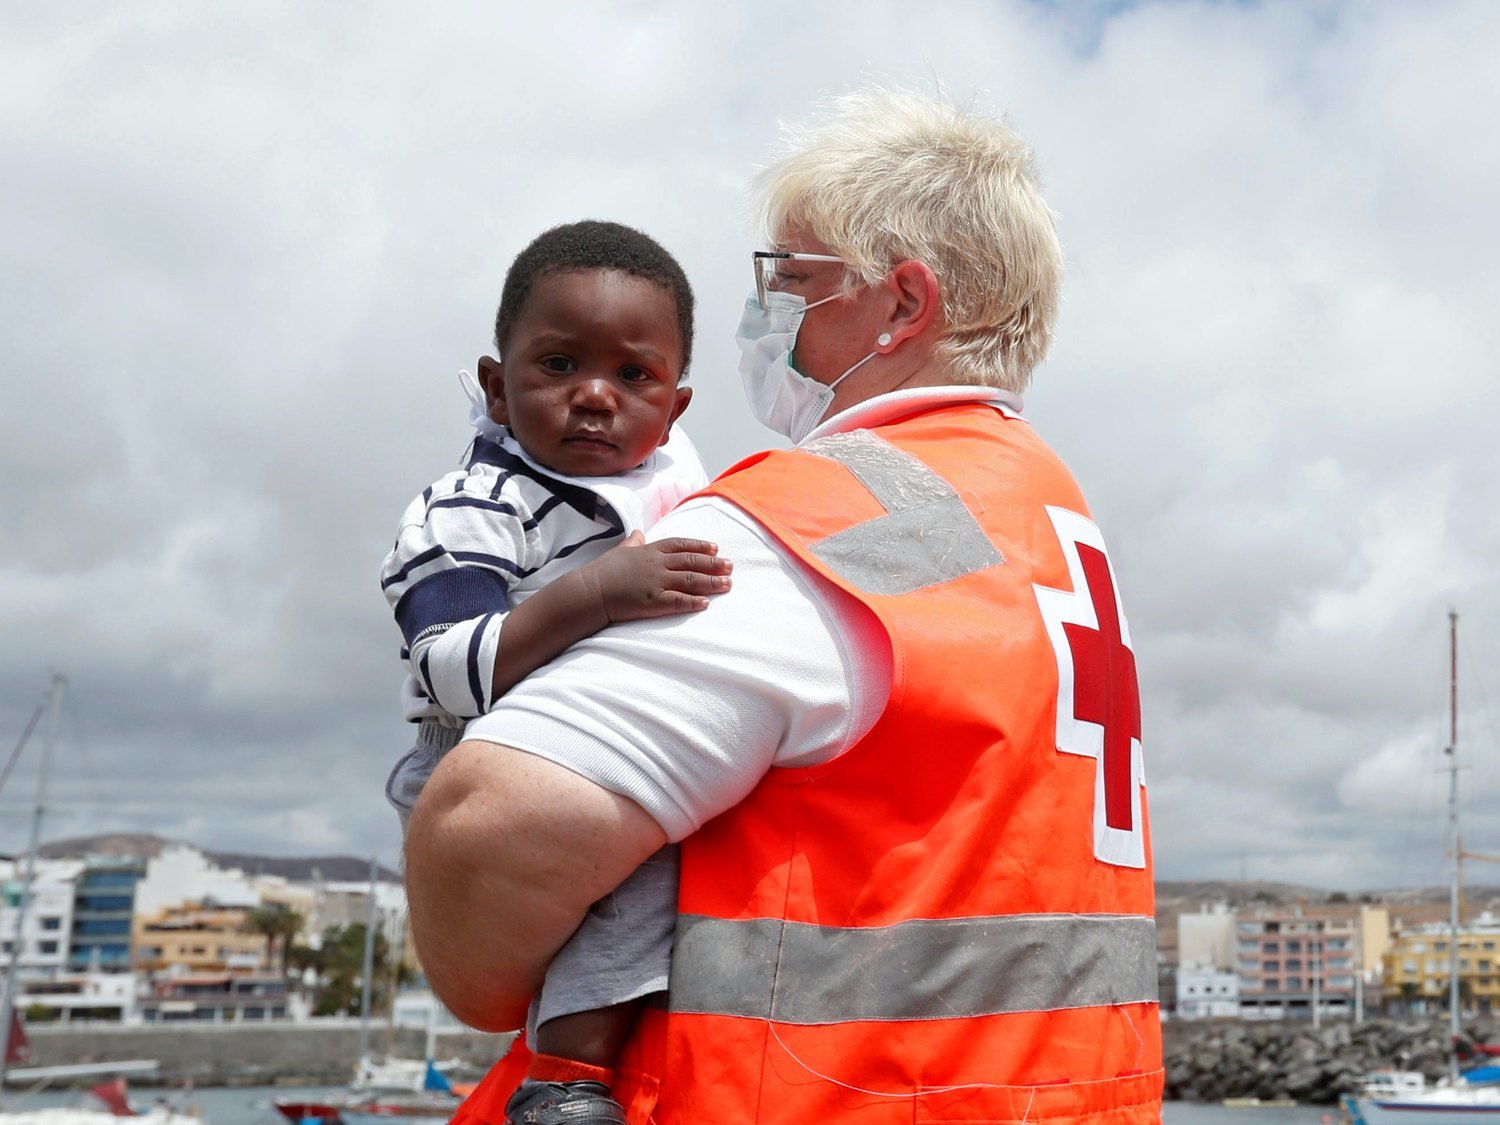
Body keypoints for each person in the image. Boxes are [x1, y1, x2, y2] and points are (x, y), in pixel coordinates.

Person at [406, 88, 1162, 1124]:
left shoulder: (807, 520)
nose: (766, 315)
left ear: (902, 305)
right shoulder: (1049, 513)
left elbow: (490, 837)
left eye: (791, 278)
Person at [379, 220, 732, 1124]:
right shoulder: (470, 506)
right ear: (497, 389)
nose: (593, 397)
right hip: (479, 754)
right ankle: (567, 1079)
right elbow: (453, 666)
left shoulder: (669, 492)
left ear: (676, 407)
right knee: (645, 865)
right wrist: (598, 595)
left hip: (601, 738)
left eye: (633, 376)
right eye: (558, 365)